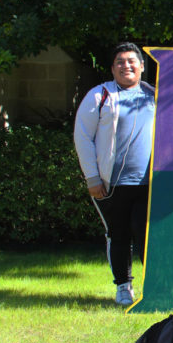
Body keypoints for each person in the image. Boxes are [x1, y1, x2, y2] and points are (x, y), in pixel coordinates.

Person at [74, 42, 155, 306]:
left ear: (142, 67)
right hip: (111, 184)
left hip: (148, 183)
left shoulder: (157, 96)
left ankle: (154, 286)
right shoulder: (99, 96)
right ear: (112, 68)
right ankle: (123, 287)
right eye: (120, 62)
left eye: (132, 61)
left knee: (145, 233)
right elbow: (82, 137)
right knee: (118, 234)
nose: (126, 66)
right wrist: (92, 178)